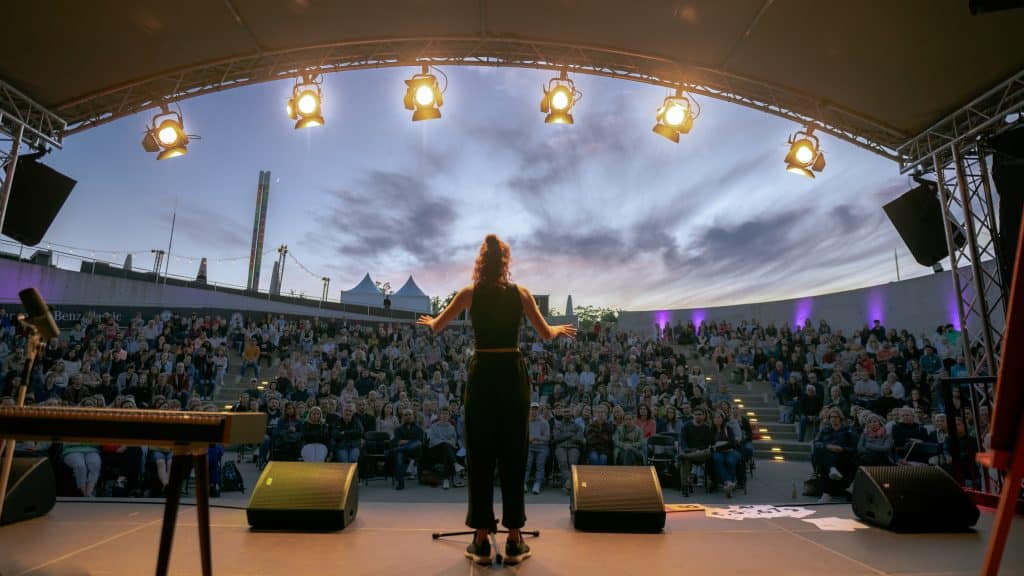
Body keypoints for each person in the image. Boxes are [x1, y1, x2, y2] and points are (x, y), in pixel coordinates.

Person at [417, 234, 576, 566]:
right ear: (506, 262)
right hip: (512, 374)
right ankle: (515, 538)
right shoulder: (521, 294)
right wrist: (558, 330)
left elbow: (436, 327)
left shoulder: (469, 294)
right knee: (514, 453)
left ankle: (481, 539)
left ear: (480, 261)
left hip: (484, 372)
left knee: (480, 453)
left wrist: (431, 321)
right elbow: (545, 334)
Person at [392, 408, 424, 491]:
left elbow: (420, 441)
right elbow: (399, 442)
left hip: (415, 452)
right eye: (406, 415)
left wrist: (406, 442)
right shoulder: (398, 429)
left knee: (418, 443)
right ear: (402, 417)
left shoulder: (418, 428)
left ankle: (399, 450)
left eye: (410, 414)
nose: (408, 416)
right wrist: (412, 441)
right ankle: (400, 482)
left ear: (413, 416)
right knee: (399, 456)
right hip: (404, 452)